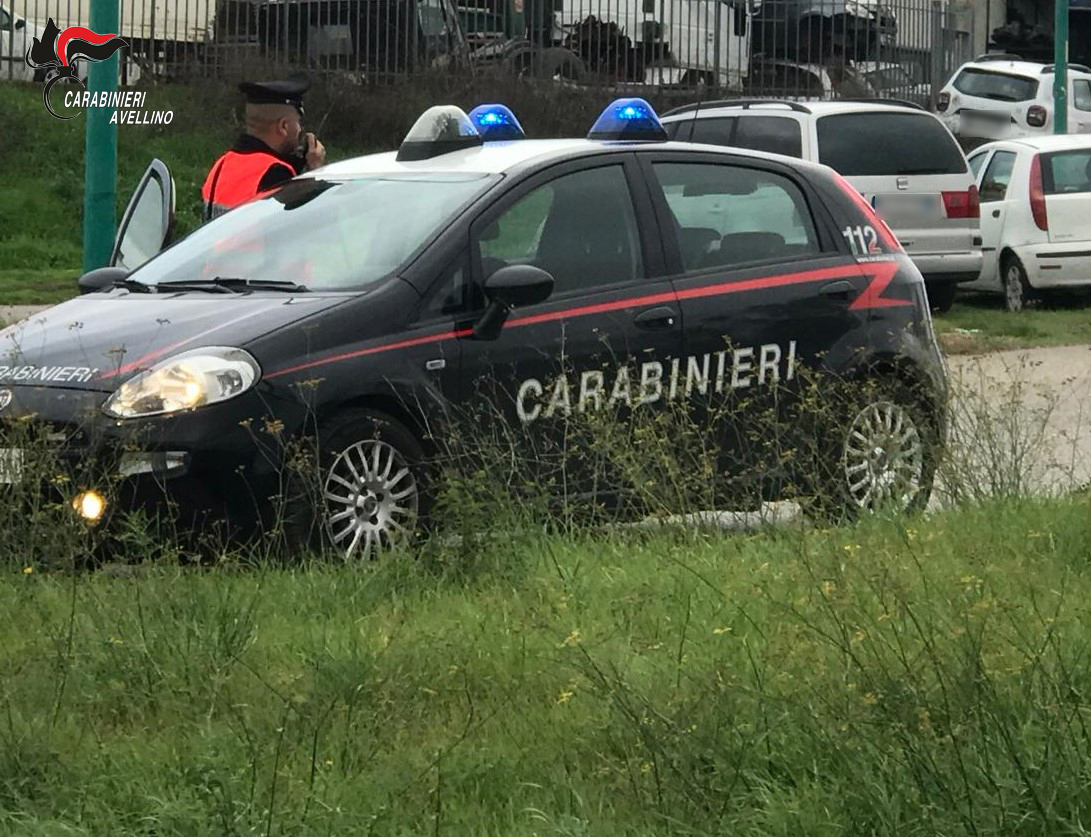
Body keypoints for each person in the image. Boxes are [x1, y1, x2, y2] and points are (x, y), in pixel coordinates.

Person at [200, 78, 327, 221]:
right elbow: (309, 227)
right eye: (298, 122)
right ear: (284, 127)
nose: (300, 129)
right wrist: (316, 170)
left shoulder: (222, 165)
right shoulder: (275, 174)